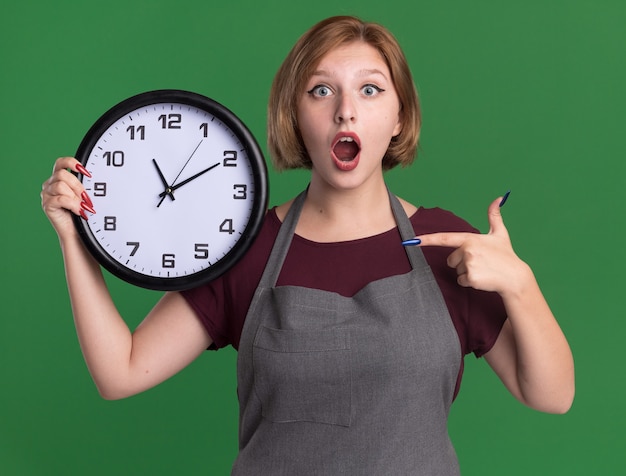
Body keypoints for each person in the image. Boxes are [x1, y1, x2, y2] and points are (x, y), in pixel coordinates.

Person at [41, 15, 574, 475]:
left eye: (370, 90)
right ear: (295, 116)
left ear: (398, 120)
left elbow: (551, 396)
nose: (346, 111)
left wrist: (521, 285)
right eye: (321, 90)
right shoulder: (242, 245)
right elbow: (121, 372)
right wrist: (74, 238)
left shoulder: (446, 244)